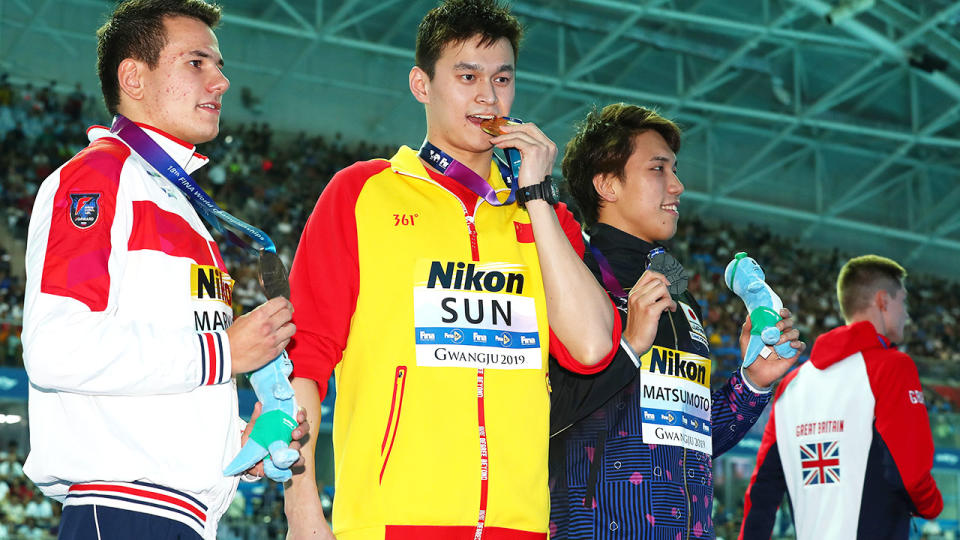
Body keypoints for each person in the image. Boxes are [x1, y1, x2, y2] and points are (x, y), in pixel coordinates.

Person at [282, 1, 622, 538]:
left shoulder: (547, 220)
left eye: (502, 78)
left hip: (522, 525)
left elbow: (591, 348)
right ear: (422, 84)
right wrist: (301, 511)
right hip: (391, 521)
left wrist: (536, 197)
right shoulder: (360, 193)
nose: (488, 96)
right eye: (467, 76)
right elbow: (304, 360)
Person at [21, 1, 304, 538]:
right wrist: (225, 353)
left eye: (218, 66)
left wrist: (239, 442)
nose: (221, 81)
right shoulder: (99, 177)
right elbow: (57, 348)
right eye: (197, 62)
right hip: (124, 510)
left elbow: (168, 375)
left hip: (180, 513)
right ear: (133, 76)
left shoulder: (177, 202)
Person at [548, 103, 805, 539]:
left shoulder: (679, 298)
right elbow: (544, 412)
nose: (678, 185)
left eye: (674, 169)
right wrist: (628, 345)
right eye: (658, 169)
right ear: (608, 184)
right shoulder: (571, 278)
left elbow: (692, 442)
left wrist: (752, 384)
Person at [739, 255, 942, 539]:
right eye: (903, 302)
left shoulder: (791, 385)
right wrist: (932, 506)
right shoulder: (892, 366)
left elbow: (763, 490)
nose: (906, 314)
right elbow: (910, 473)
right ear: (883, 301)